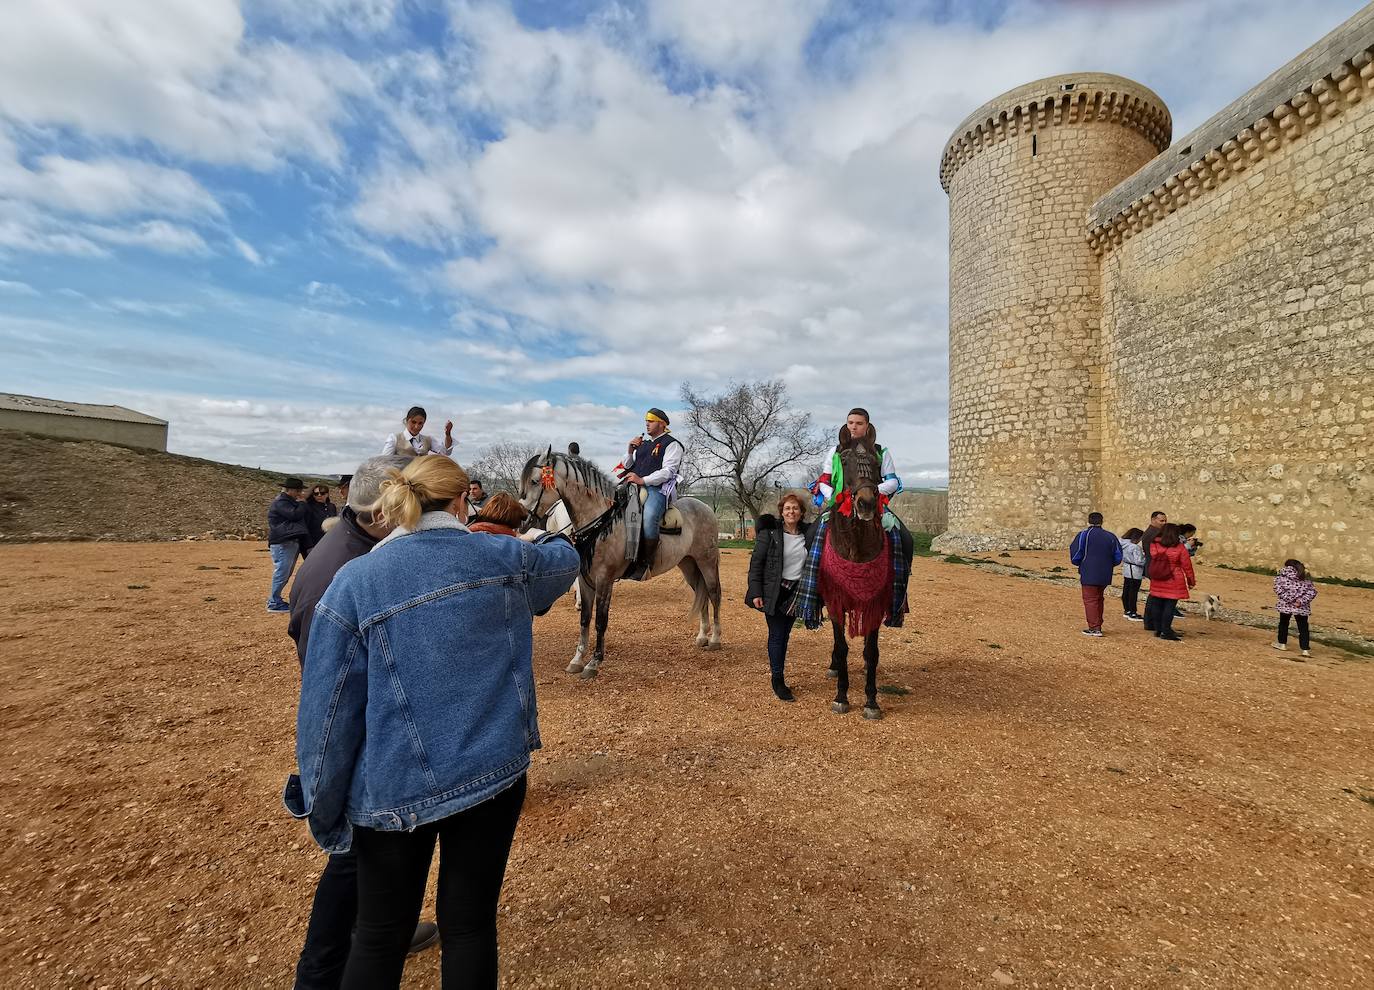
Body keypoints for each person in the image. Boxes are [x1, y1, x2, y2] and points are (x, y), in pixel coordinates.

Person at [284, 455, 579, 989]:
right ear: (463, 499)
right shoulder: (504, 557)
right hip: (492, 776)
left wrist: (326, 811)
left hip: (391, 791)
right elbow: (565, 559)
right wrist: (537, 536)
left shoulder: (354, 581)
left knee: (378, 935)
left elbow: (326, 715)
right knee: (469, 927)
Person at [285, 456, 438, 988]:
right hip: (358, 730)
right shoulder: (341, 572)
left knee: (367, 857)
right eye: (408, 507)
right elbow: (329, 678)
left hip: (367, 720)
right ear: (380, 512)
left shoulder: (359, 550)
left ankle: (379, 929)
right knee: (353, 854)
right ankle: (323, 970)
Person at [811, 408, 914, 572]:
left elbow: (893, 481)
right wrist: (834, 495)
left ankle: (901, 578)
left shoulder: (881, 451)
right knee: (813, 533)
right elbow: (824, 479)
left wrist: (874, 491)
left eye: (859, 423)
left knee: (904, 538)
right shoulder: (835, 451)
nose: (854, 427)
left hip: (874, 501)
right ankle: (808, 578)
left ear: (867, 426)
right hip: (840, 503)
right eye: (850, 423)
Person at [746, 493, 817, 701]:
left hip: (797, 592)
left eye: (795, 508)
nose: (791, 512)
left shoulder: (809, 534)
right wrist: (756, 592)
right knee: (777, 636)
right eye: (787, 508)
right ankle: (777, 680)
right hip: (775, 592)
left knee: (785, 635)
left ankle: (778, 673)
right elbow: (756, 565)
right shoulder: (769, 534)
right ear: (781, 512)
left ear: (801, 512)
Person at [619, 407, 684, 580]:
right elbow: (626, 465)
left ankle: (646, 564)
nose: (647, 424)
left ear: (662, 424)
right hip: (634, 487)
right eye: (646, 421)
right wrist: (630, 450)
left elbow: (668, 471)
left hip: (658, 489)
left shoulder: (672, 444)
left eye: (651, 421)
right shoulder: (643, 444)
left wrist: (643, 480)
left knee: (648, 518)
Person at [1069, 511, 1121, 637]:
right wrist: (1108, 565)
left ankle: (1094, 628)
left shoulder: (1083, 535)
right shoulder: (1111, 536)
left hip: (1089, 571)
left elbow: (1075, 554)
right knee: (1099, 598)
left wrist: (1081, 563)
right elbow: (1118, 555)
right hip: (1105, 572)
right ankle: (1098, 624)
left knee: (1090, 599)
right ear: (1102, 521)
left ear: (1089, 521)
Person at [1142, 523, 1194, 641]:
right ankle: (1166, 630)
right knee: (1169, 606)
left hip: (1157, 577)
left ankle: (1158, 629)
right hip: (1173, 578)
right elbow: (1187, 566)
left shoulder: (1154, 545)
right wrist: (1191, 581)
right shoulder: (1179, 547)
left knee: (1157, 604)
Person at [267, 477, 309, 613]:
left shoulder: (287, 501)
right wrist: (303, 503)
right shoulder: (281, 502)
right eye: (298, 490)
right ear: (290, 490)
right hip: (283, 542)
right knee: (282, 572)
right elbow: (295, 515)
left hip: (287, 542)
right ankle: (273, 602)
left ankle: (276, 600)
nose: (300, 493)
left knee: (284, 572)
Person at [1273, 559, 1317, 659]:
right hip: (1301, 607)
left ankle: (1282, 644)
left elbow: (1278, 589)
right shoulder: (1305, 576)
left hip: (1285, 605)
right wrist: (1300, 601)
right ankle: (1305, 649)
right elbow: (1312, 592)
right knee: (1303, 628)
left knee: (1283, 624)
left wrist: (1289, 599)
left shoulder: (1282, 576)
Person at [381, 406, 454, 458]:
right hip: (400, 478)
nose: (416, 426)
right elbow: (384, 462)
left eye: (420, 423)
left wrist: (448, 435)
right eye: (413, 422)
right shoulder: (394, 438)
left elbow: (446, 452)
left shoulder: (428, 440)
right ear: (407, 420)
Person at [1119, 528, 1146, 621]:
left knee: (1126, 590)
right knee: (1133, 592)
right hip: (1135, 571)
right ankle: (1133, 612)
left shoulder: (1122, 544)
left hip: (1127, 568)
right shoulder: (1135, 547)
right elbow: (1140, 561)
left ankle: (1127, 610)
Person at [303, 484, 338, 555]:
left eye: (322, 493)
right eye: (316, 494)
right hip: (314, 542)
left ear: (327, 494)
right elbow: (305, 526)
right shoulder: (309, 507)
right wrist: (309, 545)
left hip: (329, 541)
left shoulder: (332, 506)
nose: (319, 495)